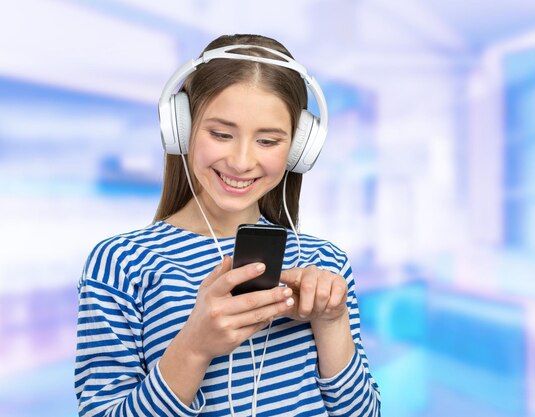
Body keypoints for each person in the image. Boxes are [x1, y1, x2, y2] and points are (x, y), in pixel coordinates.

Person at [74, 34, 381, 416]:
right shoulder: (121, 263)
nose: (240, 161)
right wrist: (194, 346)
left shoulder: (325, 262)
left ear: (300, 149)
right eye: (221, 134)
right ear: (181, 128)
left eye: (268, 140)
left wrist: (331, 322)